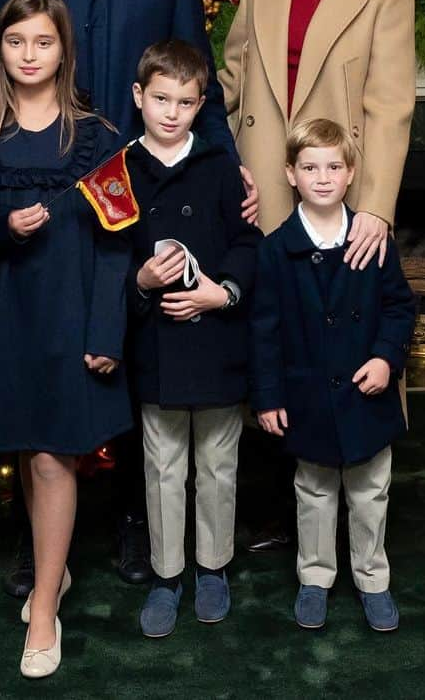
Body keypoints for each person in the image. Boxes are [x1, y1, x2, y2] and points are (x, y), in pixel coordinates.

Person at [0, 0, 258, 594]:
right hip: (43, 183)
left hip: (140, 188)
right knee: (47, 347)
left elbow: (197, 82)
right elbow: (1, 75)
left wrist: (229, 167)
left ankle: (138, 520)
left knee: (132, 339)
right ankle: (37, 539)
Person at [219, 0, 415, 553]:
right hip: (263, 185)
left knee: (338, 335)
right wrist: (221, 161)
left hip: (340, 191)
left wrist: (377, 207)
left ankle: (348, 521)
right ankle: (280, 510)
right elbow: (232, 78)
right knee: (275, 335)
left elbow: (390, 105)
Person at [0, 0, 131, 678]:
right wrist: (1, 224)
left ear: (64, 50)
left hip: (72, 314)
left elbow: (119, 242)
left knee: (56, 456)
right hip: (6, 315)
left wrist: (108, 330)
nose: (30, 54)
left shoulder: (96, 136)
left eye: (43, 42)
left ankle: (46, 607)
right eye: (16, 41)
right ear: (1, 49)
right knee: (31, 451)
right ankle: (53, 571)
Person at [250, 118, 416, 631]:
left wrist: (387, 359)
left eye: (333, 167)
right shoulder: (276, 249)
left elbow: (399, 308)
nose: (322, 177)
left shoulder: (373, 240)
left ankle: (373, 579)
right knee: (315, 493)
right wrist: (269, 396)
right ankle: (315, 578)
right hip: (307, 398)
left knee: (370, 493)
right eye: (309, 167)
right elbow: (264, 330)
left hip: (367, 394)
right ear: (290, 174)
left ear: (350, 175)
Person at [122, 40, 261, 638]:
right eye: (160, 99)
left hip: (218, 345)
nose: (171, 112)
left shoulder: (221, 170)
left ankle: (213, 567)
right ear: (139, 97)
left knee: (218, 465)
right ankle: (166, 574)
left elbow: (248, 246)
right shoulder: (121, 172)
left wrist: (222, 292)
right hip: (156, 346)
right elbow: (106, 259)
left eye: (184, 101)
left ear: (201, 104)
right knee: (162, 466)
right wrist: (140, 280)